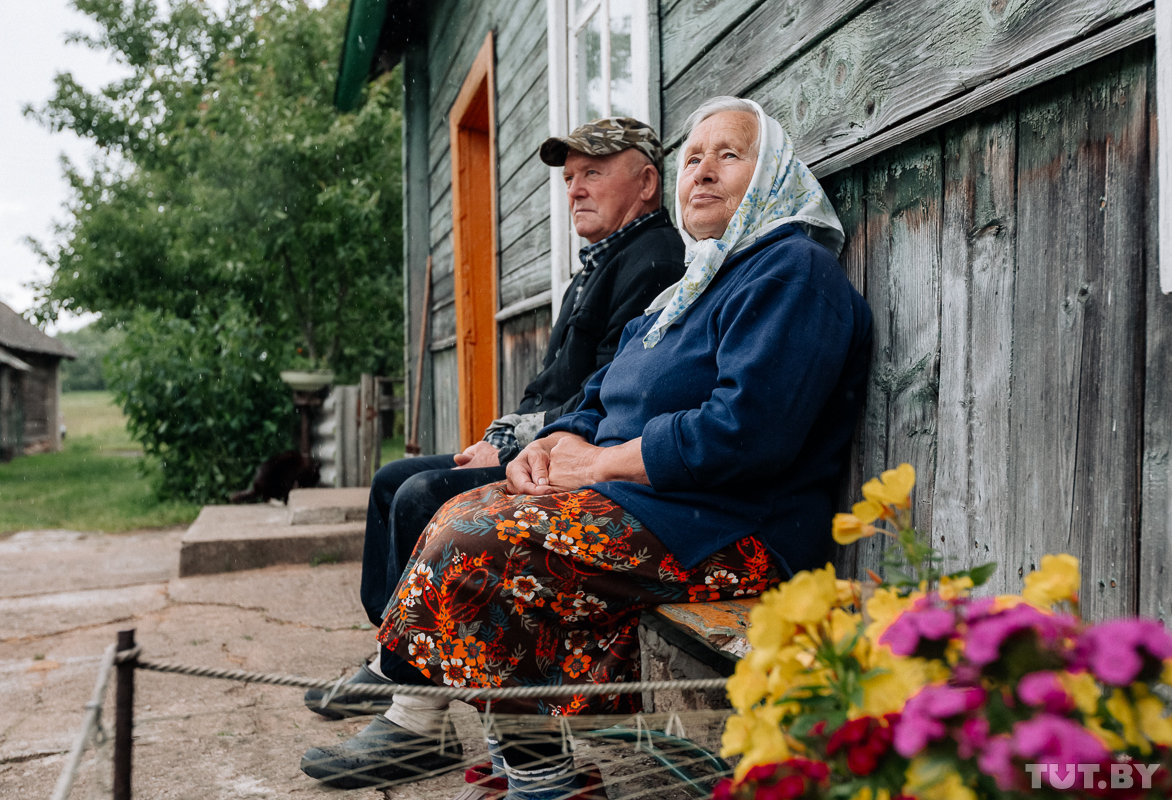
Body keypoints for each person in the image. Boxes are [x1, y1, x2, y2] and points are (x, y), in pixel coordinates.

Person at [301, 96, 873, 797]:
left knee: (474, 536)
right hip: (659, 507)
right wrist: (558, 443)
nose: (703, 171)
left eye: (729, 155)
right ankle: (534, 771)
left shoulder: (791, 272)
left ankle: (493, 755)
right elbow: (604, 389)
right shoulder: (694, 288)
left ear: (774, 172)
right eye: (693, 156)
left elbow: (744, 435)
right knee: (475, 511)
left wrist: (599, 462)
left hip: (733, 527)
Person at [301, 119, 685, 719]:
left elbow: (605, 393)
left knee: (421, 494)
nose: (575, 189)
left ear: (646, 182)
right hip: (540, 442)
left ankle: (411, 686)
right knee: (389, 482)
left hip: (580, 461)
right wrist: (498, 438)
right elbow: (548, 390)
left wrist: (506, 451)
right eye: (569, 178)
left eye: (593, 173)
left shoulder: (656, 261)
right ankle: (393, 657)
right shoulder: (597, 264)